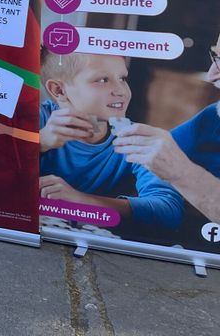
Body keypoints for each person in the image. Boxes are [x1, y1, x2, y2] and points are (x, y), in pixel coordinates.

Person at [39, 51, 183, 229]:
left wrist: (81, 200)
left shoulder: (136, 139)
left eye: (123, 78)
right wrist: (39, 142)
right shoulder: (32, 120)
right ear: (59, 90)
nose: (122, 91)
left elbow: (168, 210)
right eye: (102, 80)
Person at [113, 55, 220, 223]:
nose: (210, 76)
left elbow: (165, 209)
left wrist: (183, 173)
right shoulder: (212, 117)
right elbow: (154, 161)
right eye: (216, 58)